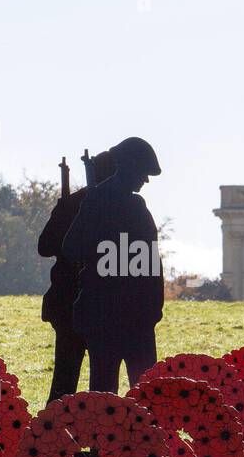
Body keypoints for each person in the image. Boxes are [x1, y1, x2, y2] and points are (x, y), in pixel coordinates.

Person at [61, 137, 164, 396]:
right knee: (110, 397)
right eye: (143, 173)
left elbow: (151, 262)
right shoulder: (101, 203)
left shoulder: (125, 205)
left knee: (140, 394)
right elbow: (72, 248)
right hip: (113, 315)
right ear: (128, 167)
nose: (146, 180)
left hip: (129, 316)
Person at [36, 151, 114, 403]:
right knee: (86, 382)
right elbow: (45, 247)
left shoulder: (86, 205)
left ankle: (55, 433)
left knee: (69, 380)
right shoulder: (102, 206)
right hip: (81, 302)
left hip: (83, 303)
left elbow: (46, 247)